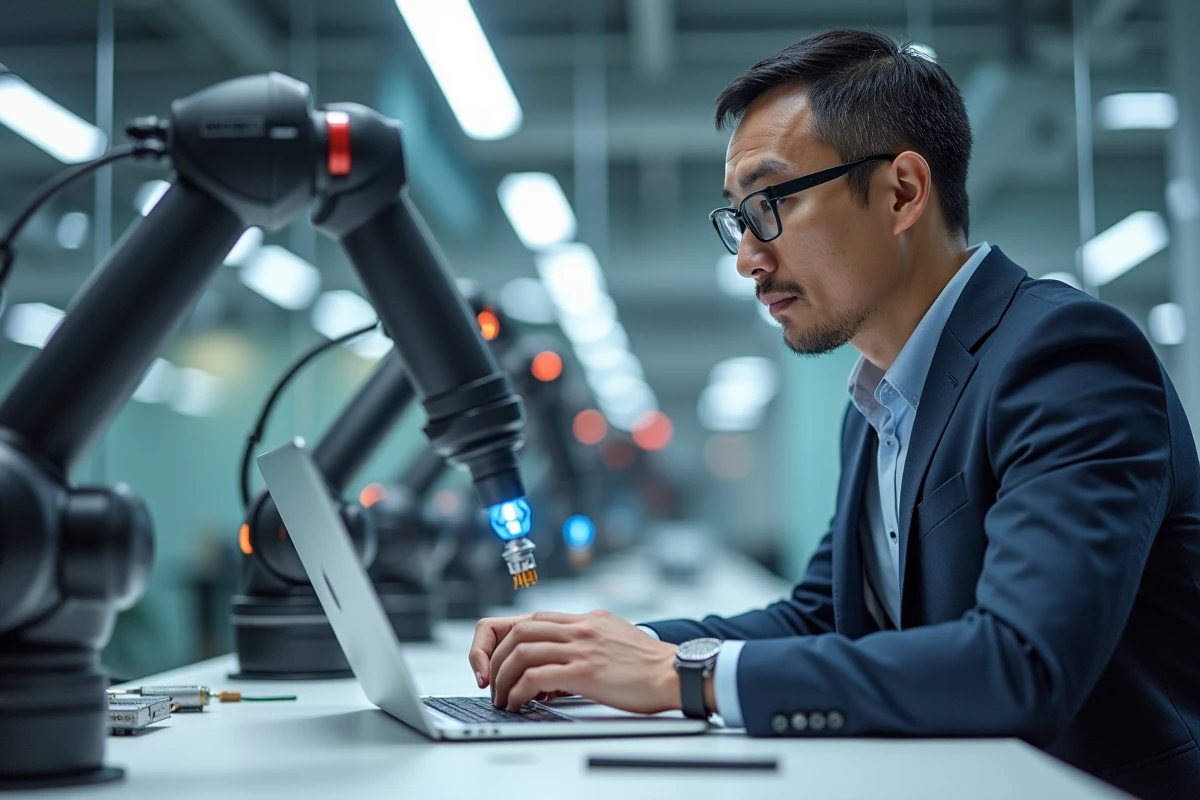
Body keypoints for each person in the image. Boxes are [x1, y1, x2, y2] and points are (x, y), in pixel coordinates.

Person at [467, 29, 1200, 799]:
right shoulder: (878, 402)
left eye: (771, 203)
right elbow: (824, 616)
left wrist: (682, 675)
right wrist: (601, 649)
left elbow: (1020, 664)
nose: (747, 257)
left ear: (902, 193)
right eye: (738, 218)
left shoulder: (1065, 359)